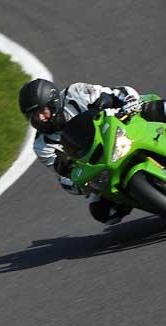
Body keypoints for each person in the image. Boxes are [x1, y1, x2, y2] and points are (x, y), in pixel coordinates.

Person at [19, 78, 166, 225]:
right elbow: (64, 173)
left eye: (41, 111)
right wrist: (79, 184)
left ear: (53, 102)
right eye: (32, 115)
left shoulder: (76, 93)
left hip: (122, 125)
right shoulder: (42, 146)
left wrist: (130, 103)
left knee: (156, 108)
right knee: (103, 212)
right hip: (100, 164)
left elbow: (118, 93)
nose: (39, 118)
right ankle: (152, 200)